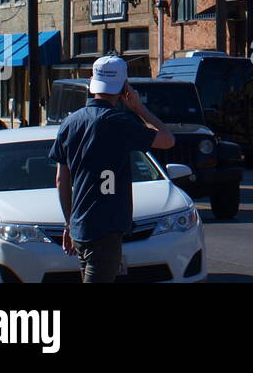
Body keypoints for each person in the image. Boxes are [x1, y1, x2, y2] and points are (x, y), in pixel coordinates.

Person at [49, 55, 175, 283]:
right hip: (106, 227)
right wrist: (139, 108)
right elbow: (167, 139)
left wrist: (69, 223)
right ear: (124, 86)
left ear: (92, 82)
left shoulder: (70, 123)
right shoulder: (119, 122)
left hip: (80, 225)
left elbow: (61, 179)